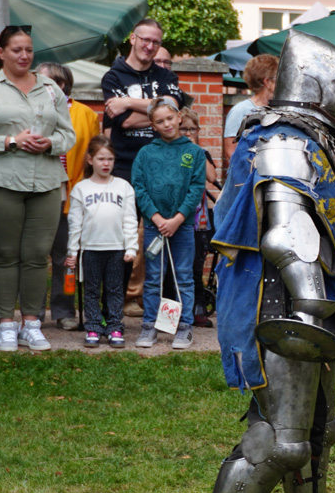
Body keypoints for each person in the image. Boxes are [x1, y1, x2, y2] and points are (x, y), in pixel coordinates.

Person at [187, 30, 335, 493]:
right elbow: (288, 236)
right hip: (281, 297)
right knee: (279, 435)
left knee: (321, 426)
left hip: (305, 299)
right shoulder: (284, 141)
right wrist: (314, 311)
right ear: (318, 87)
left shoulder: (313, 138)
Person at [0, 27, 75, 351]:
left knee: (36, 256)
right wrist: (9, 141)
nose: (24, 56)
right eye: (17, 50)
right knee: (5, 254)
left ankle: (31, 324)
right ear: (1, 52)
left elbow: (68, 134)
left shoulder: (50, 88)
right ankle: (7, 323)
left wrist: (51, 143)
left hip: (46, 181)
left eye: (29, 50)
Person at [132, 99, 207, 350]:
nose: (166, 124)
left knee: (183, 277)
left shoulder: (194, 152)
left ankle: (184, 327)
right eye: (159, 121)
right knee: (153, 277)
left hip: (182, 226)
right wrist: (157, 218)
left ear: (179, 118)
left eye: (169, 118)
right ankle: (149, 326)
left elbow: (196, 189)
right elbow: (139, 188)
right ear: (152, 125)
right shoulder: (145, 153)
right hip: (154, 226)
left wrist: (176, 220)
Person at [37, 61, 98, 332]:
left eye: (43, 81)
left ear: (60, 85)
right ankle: (33, 313)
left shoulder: (86, 114)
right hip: (37, 193)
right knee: (35, 256)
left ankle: (64, 311)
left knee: (66, 258)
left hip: (72, 196)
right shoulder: (31, 110)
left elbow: (92, 157)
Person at [65, 138, 138, 348]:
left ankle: (115, 326)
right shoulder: (81, 189)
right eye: (101, 159)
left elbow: (130, 219)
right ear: (90, 160)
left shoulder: (123, 187)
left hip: (116, 249)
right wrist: (73, 251)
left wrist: (131, 246)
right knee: (91, 290)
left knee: (115, 290)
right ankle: (94, 327)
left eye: (110, 159)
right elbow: (75, 223)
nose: (106, 164)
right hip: (90, 250)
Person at [101, 19, 188, 184]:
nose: (150, 47)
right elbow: (126, 121)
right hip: (126, 166)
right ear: (133, 39)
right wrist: (164, 116)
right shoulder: (113, 77)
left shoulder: (166, 76)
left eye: (156, 42)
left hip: (163, 162)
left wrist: (127, 102)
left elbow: (172, 105)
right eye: (146, 40)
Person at [178, 107, 220, 328]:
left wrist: (194, 149)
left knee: (196, 266)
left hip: (198, 221)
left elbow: (212, 176)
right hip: (177, 217)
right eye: (182, 128)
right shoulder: (172, 152)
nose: (187, 133)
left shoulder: (200, 152)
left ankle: (197, 309)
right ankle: (176, 310)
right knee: (177, 267)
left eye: (191, 129)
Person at [222, 55, 279, 166]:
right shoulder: (241, 111)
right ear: (267, 82)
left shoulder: (278, 110)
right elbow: (231, 152)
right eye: (278, 79)